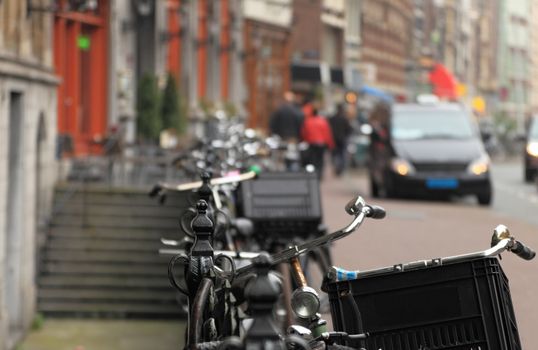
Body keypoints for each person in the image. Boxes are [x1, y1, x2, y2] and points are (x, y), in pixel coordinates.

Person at [301, 107, 335, 179]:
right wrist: (330, 144)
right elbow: (327, 133)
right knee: (320, 159)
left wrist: (305, 140)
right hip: (321, 143)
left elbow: (304, 132)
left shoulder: (308, 121)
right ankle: (319, 174)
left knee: (313, 159)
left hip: (311, 143)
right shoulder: (323, 121)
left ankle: (314, 173)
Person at [329, 103, 353, 176]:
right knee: (342, 154)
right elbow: (349, 129)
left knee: (335, 154)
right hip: (342, 139)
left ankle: (337, 166)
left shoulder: (332, 118)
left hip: (334, 139)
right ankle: (340, 167)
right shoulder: (344, 119)